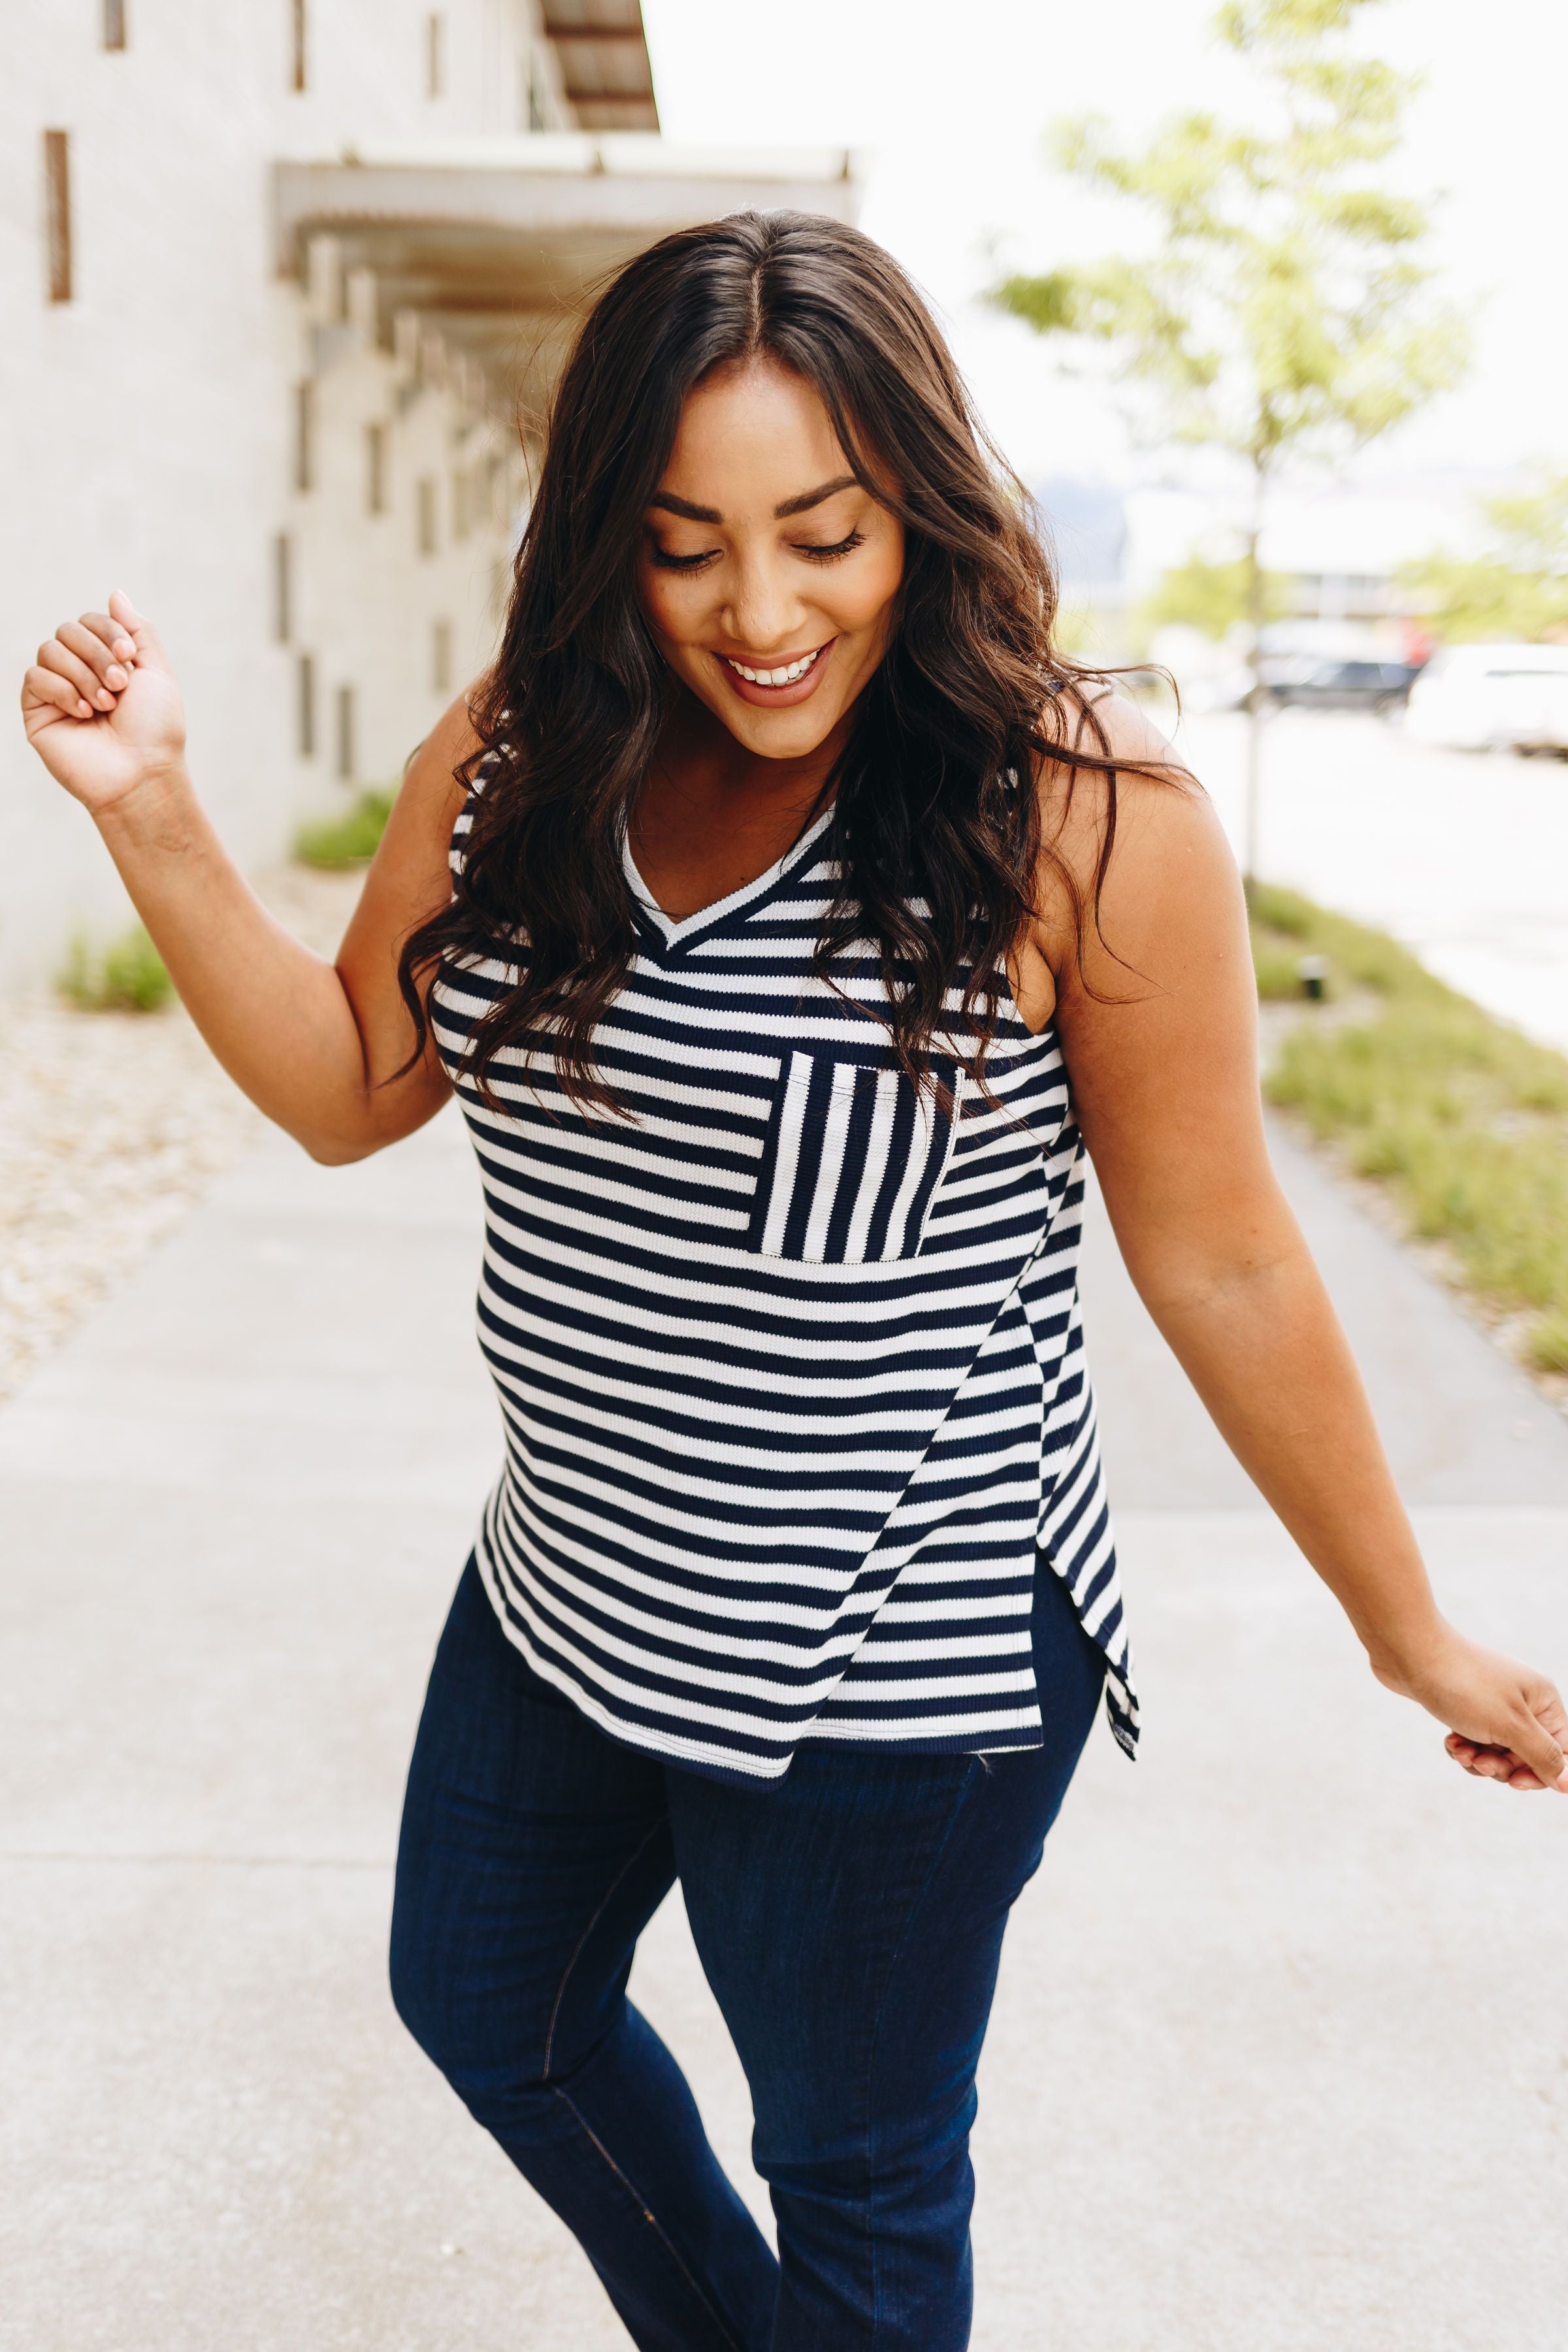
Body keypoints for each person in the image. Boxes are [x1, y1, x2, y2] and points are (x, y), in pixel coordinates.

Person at [20, 210, 1566, 2352]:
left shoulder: (1085, 823)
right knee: (488, 2005)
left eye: (826, 535)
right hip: (574, 1587)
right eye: (685, 545)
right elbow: (352, 1084)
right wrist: (155, 808)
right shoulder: (517, 760)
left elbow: (1218, 1255)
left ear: (921, 509)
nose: (761, 614)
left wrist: (1414, 1637)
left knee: (854, 2181)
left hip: (893, 1676)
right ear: (602, 545)